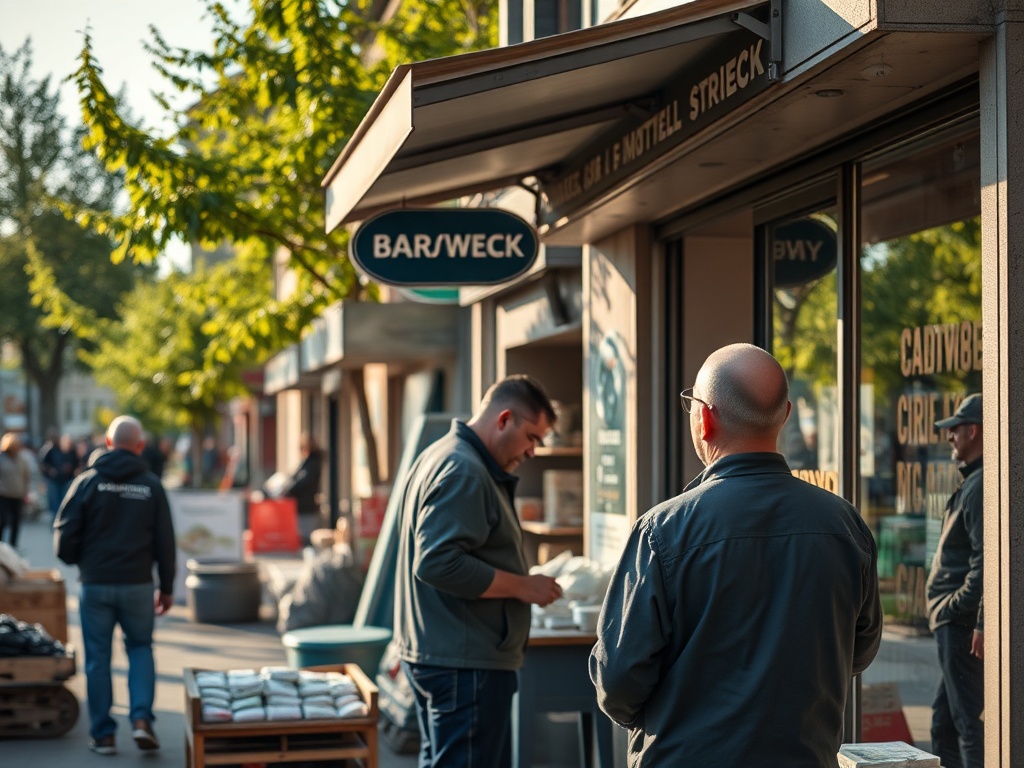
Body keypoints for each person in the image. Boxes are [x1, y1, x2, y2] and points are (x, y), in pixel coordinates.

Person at [590, 343, 883, 767]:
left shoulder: (663, 531)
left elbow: (617, 683)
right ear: (784, 415)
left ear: (704, 418)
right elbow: (859, 651)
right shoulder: (844, 525)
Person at [394, 374, 564, 768]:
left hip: (445, 652)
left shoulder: (442, 454)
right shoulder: (464, 470)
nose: (533, 452)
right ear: (504, 419)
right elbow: (438, 562)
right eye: (533, 438)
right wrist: (523, 587)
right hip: (464, 662)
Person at [53, 416, 176, 756]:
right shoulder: (151, 485)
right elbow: (166, 543)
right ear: (140, 446)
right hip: (137, 585)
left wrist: (82, 561)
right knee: (140, 649)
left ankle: (103, 735)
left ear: (107, 443)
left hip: (96, 585)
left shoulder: (86, 482)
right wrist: (166, 588)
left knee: (98, 659)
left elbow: (63, 537)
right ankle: (140, 721)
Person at [928, 392, 984, 768]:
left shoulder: (980, 486)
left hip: (958, 624)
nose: (950, 437)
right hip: (956, 622)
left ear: (974, 431)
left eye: (955, 430)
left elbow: (987, 561)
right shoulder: (975, 482)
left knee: (965, 728)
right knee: (943, 726)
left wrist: (958, 609)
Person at [280, 433, 324, 542]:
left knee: (306, 538)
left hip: (307, 505)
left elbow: (302, 481)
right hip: (302, 505)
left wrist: (289, 488)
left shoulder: (312, 463)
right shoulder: (307, 462)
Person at [0, 432, 32, 549]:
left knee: (16, 521)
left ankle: (13, 545)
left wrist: (25, 492)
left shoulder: (21, 459)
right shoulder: (2, 458)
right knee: (3, 520)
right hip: (3, 495)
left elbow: (26, 476)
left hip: (17, 494)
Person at [40, 434, 80, 518]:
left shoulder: (72, 452)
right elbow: (44, 465)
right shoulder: (53, 451)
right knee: (55, 503)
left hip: (67, 480)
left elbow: (76, 465)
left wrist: (71, 469)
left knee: (65, 501)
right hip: (55, 481)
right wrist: (50, 471)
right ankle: (56, 519)